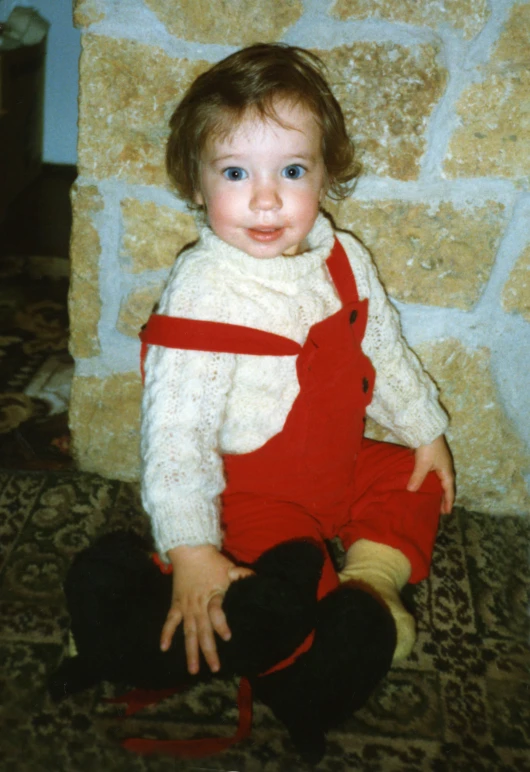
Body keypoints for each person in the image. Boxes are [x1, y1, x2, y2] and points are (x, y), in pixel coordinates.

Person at [140, 42, 455, 680]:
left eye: (290, 171)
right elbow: (176, 436)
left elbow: (383, 350)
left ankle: (372, 582)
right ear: (197, 187)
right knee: (277, 579)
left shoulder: (343, 258)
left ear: (323, 175)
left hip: (340, 461)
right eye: (235, 173)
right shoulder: (205, 289)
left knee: (412, 478)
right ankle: (323, 626)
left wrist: (426, 430)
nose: (265, 200)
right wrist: (194, 548)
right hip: (258, 492)